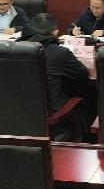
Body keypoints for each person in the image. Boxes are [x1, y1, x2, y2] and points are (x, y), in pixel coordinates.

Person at [21, 12, 97, 140]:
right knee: (89, 95)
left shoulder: (16, 49)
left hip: (20, 112)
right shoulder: (60, 53)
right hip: (52, 115)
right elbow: (83, 75)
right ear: (55, 32)